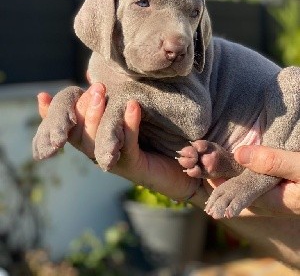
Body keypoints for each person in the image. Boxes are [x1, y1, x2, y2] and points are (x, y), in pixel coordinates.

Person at [37, 83, 300, 270]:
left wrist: (255, 179)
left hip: (263, 126)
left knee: (292, 81)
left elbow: (194, 119)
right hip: (225, 156)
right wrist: (197, 191)